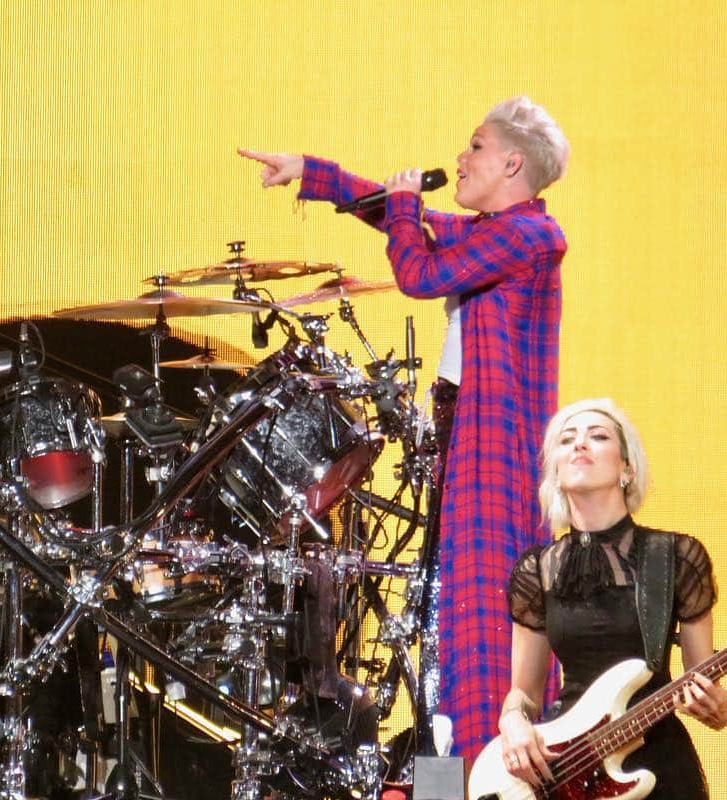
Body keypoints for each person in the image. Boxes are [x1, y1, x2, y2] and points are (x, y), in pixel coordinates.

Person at [238, 96, 570, 755]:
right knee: (459, 616)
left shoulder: (530, 234)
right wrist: (312, 171)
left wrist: (401, 214)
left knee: (485, 615)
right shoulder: (494, 233)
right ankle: (471, 757)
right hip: (465, 441)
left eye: (474, 146)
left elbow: (420, 273)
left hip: (497, 451)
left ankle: (493, 763)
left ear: (511, 162)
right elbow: (405, 216)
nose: (460, 157)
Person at [501, 398, 723, 798]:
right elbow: (526, 692)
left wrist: (717, 708)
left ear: (627, 469)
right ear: (555, 470)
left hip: (659, 764)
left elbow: (700, 677)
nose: (580, 444)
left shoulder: (675, 556)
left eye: (598, 436)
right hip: (570, 768)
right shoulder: (537, 569)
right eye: (566, 439)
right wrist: (512, 720)